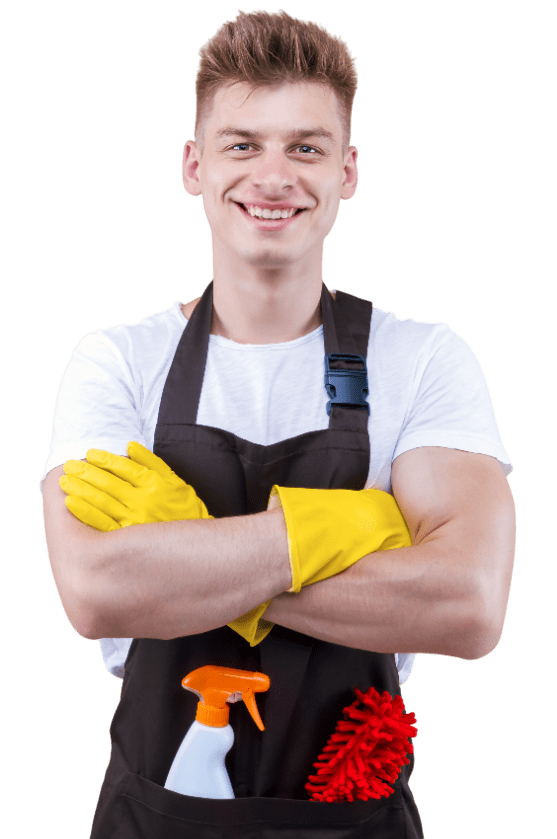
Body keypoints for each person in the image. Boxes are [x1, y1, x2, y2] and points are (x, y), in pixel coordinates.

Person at [40, 9, 516, 838]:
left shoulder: (423, 359)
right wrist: (342, 528)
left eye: (305, 147)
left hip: (353, 817)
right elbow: (95, 592)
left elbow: (468, 604)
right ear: (194, 165)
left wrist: (188, 555)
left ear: (346, 171)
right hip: (156, 817)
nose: (272, 176)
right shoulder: (116, 361)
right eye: (241, 144)